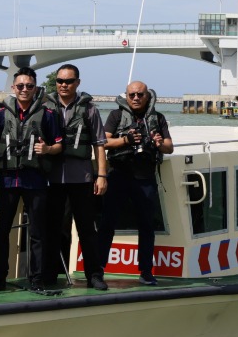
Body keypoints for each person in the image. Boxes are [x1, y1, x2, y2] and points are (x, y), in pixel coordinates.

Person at [0, 68, 63, 292]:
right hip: (8, 180)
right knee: (2, 230)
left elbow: (59, 145)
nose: (24, 90)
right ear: (13, 87)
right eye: (20, 86)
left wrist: (47, 149)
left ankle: (36, 279)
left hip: (35, 180)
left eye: (29, 86)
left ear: (35, 88)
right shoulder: (3, 113)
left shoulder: (47, 114)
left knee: (38, 233)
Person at [42, 64, 110, 290]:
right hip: (53, 179)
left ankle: (94, 275)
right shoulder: (45, 107)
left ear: (77, 83)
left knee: (87, 230)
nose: (63, 85)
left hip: (81, 178)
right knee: (54, 229)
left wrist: (101, 175)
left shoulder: (89, 109)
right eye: (60, 81)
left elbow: (99, 144)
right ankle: (51, 275)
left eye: (68, 81)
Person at [103, 80, 173, 285]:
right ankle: (97, 270)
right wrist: (126, 140)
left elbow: (169, 147)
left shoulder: (157, 118)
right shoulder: (116, 116)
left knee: (147, 226)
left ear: (147, 96)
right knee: (107, 224)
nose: (135, 98)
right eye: (131, 95)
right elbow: (104, 141)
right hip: (119, 175)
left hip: (145, 179)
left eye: (140, 94)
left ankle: (146, 271)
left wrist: (159, 144)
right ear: (126, 96)